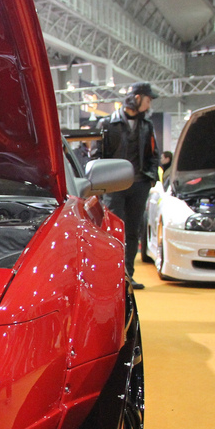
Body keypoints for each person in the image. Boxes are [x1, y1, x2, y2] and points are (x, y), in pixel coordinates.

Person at [93, 82, 160, 290]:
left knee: (133, 231)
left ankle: (128, 275)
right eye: (148, 100)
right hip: (113, 186)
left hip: (139, 184)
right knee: (113, 232)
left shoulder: (147, 125)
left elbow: (154, 154)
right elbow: (96, 155)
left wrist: (150, 179)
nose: (149, 105)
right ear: (137, 98)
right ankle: (113, 276)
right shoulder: (107, 123)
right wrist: (100, 183)